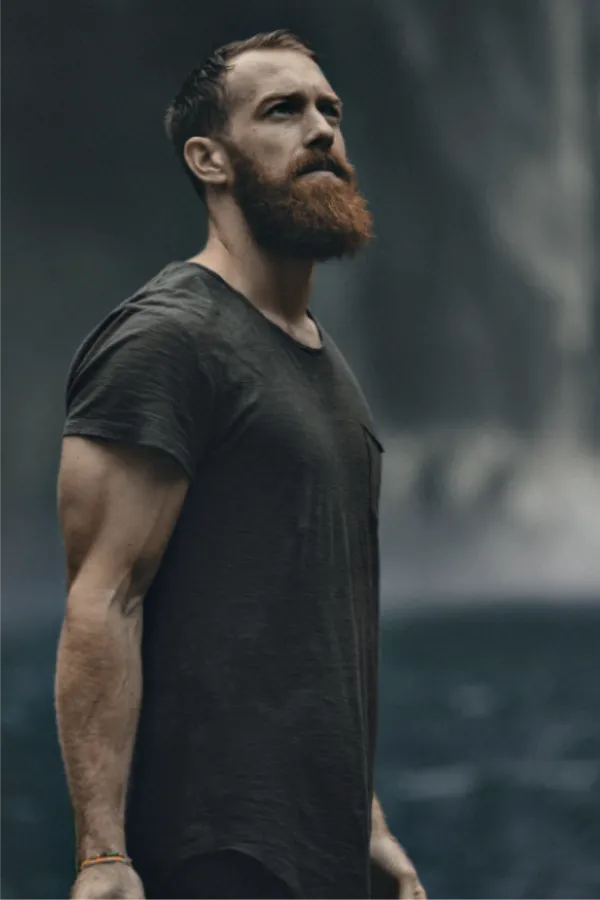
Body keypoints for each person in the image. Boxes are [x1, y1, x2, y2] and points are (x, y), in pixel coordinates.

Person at [54, 29, 427, 900]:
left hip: (319, 853)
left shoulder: (324, 361)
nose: (323, 129)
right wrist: (103, 858)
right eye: (283, 111)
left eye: (331, 110)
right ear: (209, 159)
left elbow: (304, 630)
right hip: (215, 854)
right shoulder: (167, 339)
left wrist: (363, 822)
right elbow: (104, 598)